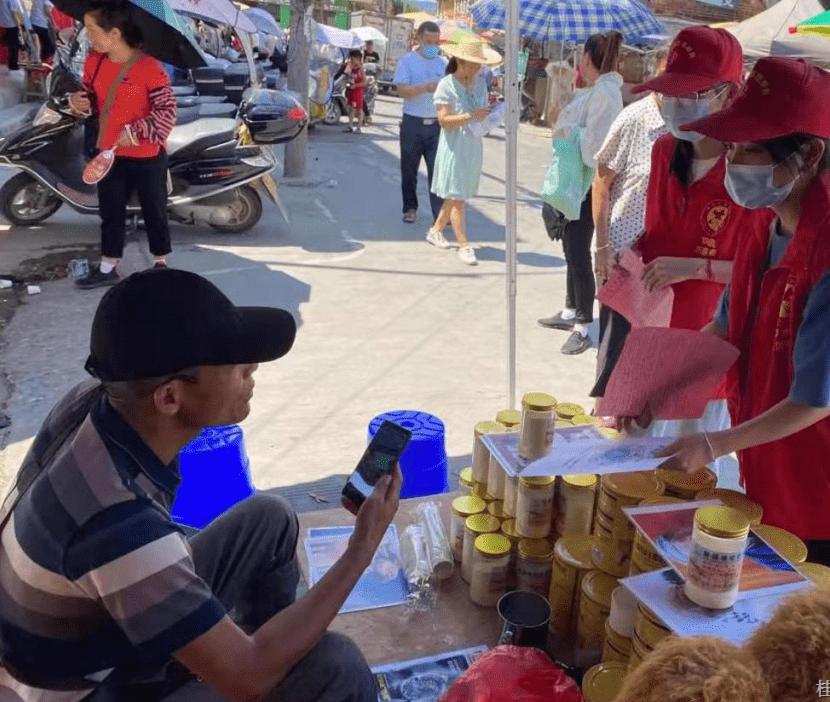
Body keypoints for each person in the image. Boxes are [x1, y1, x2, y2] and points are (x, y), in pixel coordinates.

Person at [0, 269, 399, 702]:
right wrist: (362, 548)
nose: (251, 368)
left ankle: (249, 652)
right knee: (335, 666)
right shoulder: (120, 526)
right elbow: (247, 677)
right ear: (169, 397)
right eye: (232, 361)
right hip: (86, 688)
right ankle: (255, 661)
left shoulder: (95, 402)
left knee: (270, 518)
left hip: (96, 634)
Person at [657, 57, 830, 584]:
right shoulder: (766, 221)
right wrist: (656, 388)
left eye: (750, 149)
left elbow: (817, 397)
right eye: (732, 146)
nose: (733, 160)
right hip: (782, 464)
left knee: (815, 632)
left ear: (806, 154)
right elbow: (724, 327)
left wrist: (712, 444)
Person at [616, 27, 756, 479]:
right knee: (633, 467)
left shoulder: (751, 170)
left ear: (728, 94)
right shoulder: (663, 151)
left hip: (709, 346)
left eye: (689, 93)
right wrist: (628, 259)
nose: (675, 105)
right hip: (655, 334)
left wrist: (693, 266)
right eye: (669, 93)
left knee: (688, 478)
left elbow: (764, 272)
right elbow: (658, 235)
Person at [69, 1, 176, 289]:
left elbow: (167, 113)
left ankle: (161, 263)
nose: (87, 35)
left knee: (154, 209)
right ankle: (108, 266)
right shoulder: (95, 62)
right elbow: (90, 99)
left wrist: (138, 130)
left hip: (146, 155)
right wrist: (77, 103)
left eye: (92, 29)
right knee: (110, 211)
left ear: (114, 33)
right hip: (108, 152)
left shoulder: (150, 68)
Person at [590, 42, 669, 399]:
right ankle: (605, 412)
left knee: (649, 347)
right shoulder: (634, 119)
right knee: (615, 343)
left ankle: (629, 412)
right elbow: (601, 181)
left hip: (663, 259)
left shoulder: (693, 131)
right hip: (621, 253)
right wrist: (603, 247)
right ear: (655, 76)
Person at [537, 31, 624, 355]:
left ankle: (584, 325)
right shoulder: (600, 92)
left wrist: (569, 131)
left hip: (587, 186)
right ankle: (571, 310)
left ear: (586, 59)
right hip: (580, 184)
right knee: (569, 250)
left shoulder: (605, 95)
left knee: (578, 253)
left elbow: (595, 150)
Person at [425, 40, 500, 267]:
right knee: (457, 198)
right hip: (454, 148)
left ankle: (435, 230)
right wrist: (470, 116)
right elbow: (443, 121)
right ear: (461, 61)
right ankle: (464, 244)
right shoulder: (446, 85)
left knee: (457, 194)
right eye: (474, 64)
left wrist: (492, 115)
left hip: (473, 146)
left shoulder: (479, 85)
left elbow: (481, 111)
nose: (478, 69)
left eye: (480, 64)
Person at [394, 21, 446, 225]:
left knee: (437, 171)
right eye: (428, 41)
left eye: (436, 41)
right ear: (419, 40)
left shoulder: (443, 64)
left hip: (436, 125)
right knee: (409, 169)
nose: (433, 45)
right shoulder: (407, 62)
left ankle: (439, 215)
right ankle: (409, 208)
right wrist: (424, 88)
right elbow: (401, 90)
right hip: (412, 123)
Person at [344, 48, 366, 133]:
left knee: (359, 109)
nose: (352, 61)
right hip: (351, 90)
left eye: (353, 59)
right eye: (351, 59)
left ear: (358, 59)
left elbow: (365, 82)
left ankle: (359, 127)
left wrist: (356, 85)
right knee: (351, 108)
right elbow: (347, 74)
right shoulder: (350, 66)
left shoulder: (361, 69)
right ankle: (350, 125)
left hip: (358, 91)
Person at [0, 0, 25, 71]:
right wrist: (19, 26)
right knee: (14, 45)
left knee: (9, 44)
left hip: (3, 24)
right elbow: (14, 13)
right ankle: (13, 65)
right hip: (11, 24)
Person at [361, 40, 380, 125]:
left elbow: (378, 66)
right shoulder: (363, 53)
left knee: (371, 98)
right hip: (364, 77)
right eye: (367, 45)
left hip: (372, 78)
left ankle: (369, 115)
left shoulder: (376, 55)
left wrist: (377, 78)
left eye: (370, 45)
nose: (369, 47)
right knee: (363, 97)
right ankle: (363, 116)